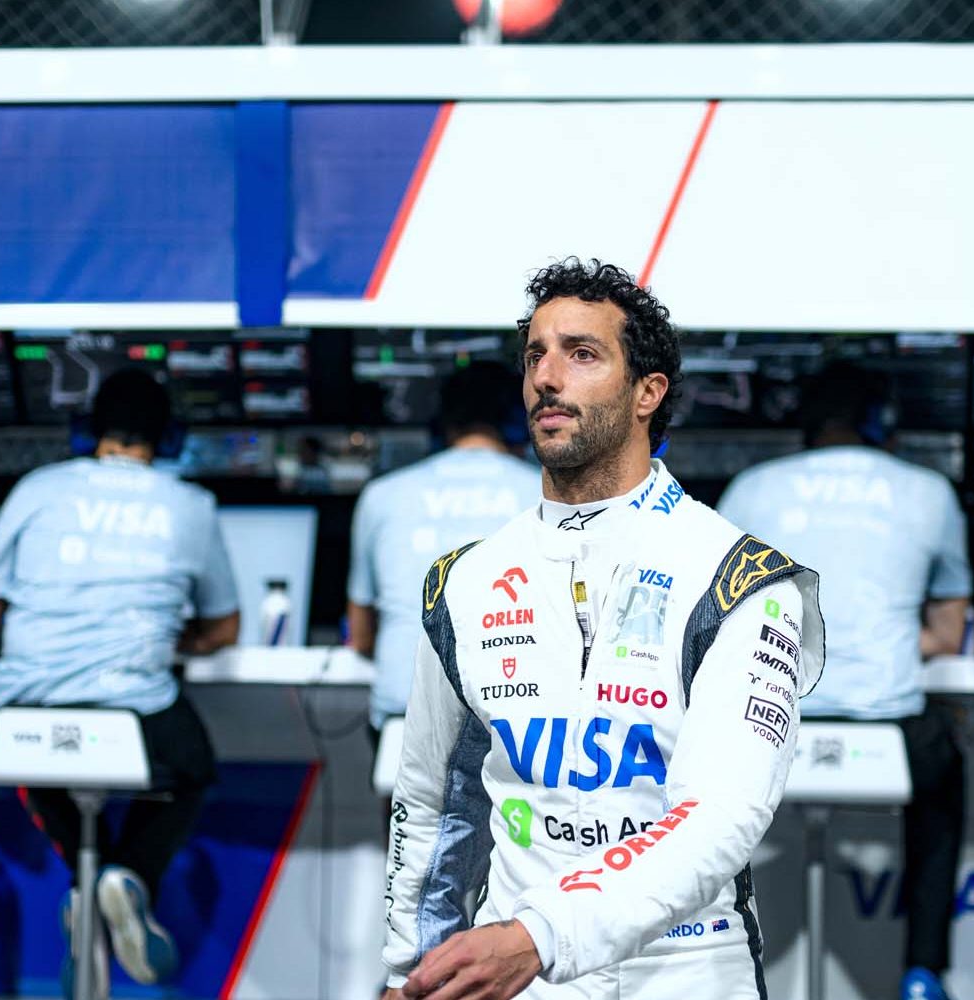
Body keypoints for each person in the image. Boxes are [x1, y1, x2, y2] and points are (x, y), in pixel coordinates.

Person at [382, 258, 826, 1000]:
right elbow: (433, 804)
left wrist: (541, 936)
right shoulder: (465, 581)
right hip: (513, 975)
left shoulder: (739, 575)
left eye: (581, 354)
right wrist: (408, 974)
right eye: (535, 355)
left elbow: (719, 816)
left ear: (648, 392)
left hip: (683, 971)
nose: (546, 378)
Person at [0, 369, 238, 997]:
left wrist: (20, 649)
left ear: (86, 431)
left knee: (39, 760)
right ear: (168, 438)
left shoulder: (38, 488)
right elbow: (224, 628)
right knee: (191, 766)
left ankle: (90, 886)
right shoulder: (190, 504)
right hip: (133, 713)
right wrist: (177, 639)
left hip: (24, 712)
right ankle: (127, 875)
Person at [717, 361, 972, 1000]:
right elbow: (946, 636)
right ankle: (923, 970)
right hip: (888, 733)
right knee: (946, 771)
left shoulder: (752, 487)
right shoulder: (929, 491)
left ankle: (706, 968)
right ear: (881, 423)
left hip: (769, 732)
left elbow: (714, 623)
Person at [348, 360, 541, 739]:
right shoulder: (546, 495)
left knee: (401, 799)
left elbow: (361, 635)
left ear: (442, 424)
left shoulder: (383, 494)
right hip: (513, 713)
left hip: (402, 708)